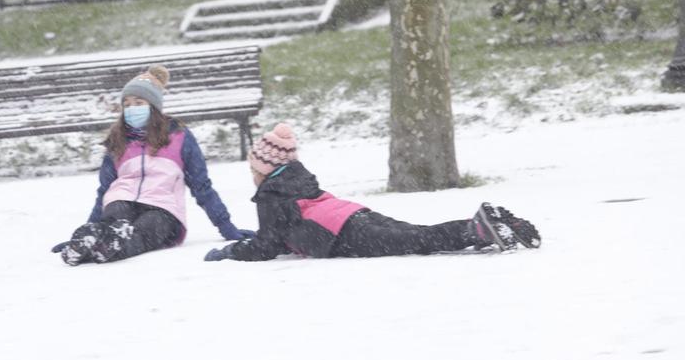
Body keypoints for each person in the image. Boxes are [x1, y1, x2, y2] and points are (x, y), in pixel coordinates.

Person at [204, 123, 541, 262]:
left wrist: (234, 251)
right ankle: (488, 227)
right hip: (354, 214)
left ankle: (477, 230)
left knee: (416, 243)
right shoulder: (297, 179)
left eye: (253, 170)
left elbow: (268, 244)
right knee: (416, 233)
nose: (252, 176)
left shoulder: (271, 196)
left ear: (264, 170)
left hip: (344, 235)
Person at [55, 66, 253, 265]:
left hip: (163, 207)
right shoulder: (118, 140)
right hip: (123, 198)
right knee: (115, 213)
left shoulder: (179, 137)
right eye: (127, 104)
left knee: (147, 227)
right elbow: (105, 190)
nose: (132, 109)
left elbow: (201, 186)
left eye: (139, 103)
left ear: (153, 106)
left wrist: (226, 226)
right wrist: (90, 226)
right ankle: (89, 242)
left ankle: (108, 246)